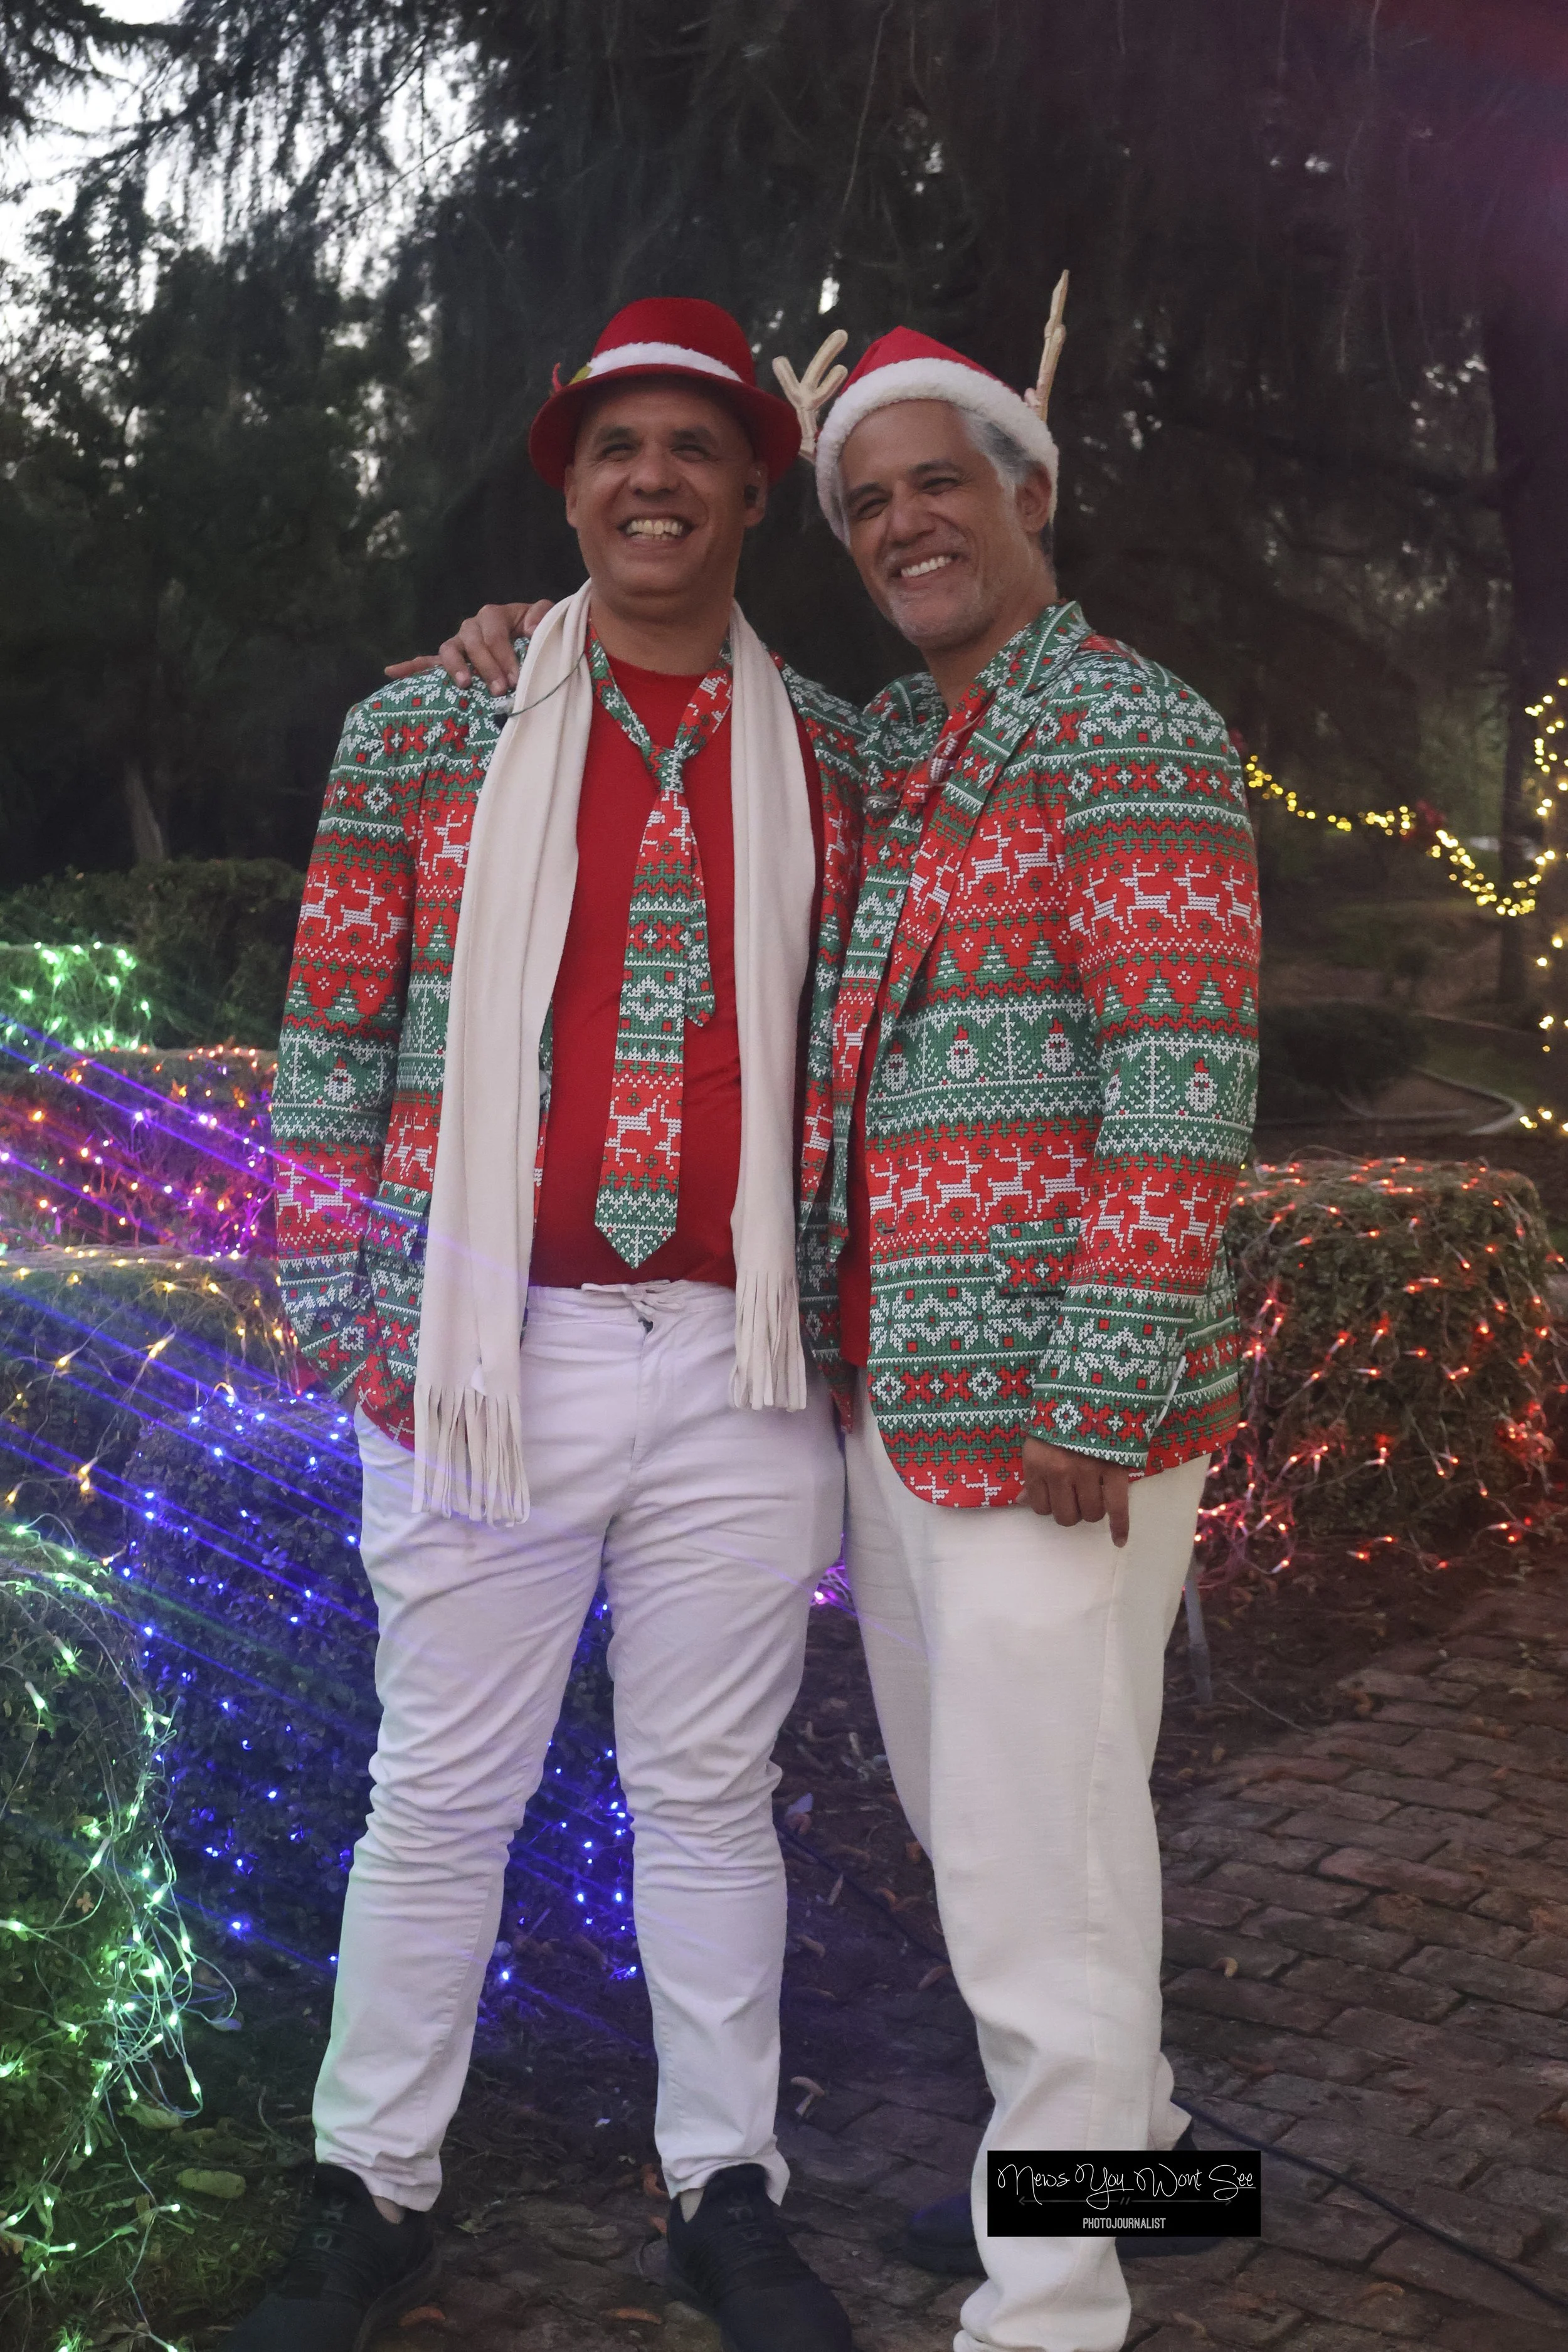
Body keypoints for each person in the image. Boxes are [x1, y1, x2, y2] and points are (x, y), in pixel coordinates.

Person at [425, 315, 1261, 2352]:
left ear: (1028, 496)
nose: (901, 525)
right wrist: (523, 641)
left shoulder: (1128, 727)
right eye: (867, 499)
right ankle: (1140, 2163)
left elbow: (1184, 1067)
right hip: (901, 1392)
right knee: (1051, 1812)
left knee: (1023, 1857)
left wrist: (1102, 1379)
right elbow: (709, 712)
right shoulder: (897, 746)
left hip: (1059, 1412)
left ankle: (1051, 2302)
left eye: (938, 484)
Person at [241, 299, 867, 2352]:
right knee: (442, 1789)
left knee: (706, 1792)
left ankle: (722, 2193)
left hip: (737, 1365)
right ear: (567, 479)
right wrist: (347, 1309)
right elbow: (330, 1036)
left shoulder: (836, 759)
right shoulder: (422, 730)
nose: (654, 479)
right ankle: (373, 2193)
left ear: (755, 489)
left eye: (696, 446)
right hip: (475, 1342)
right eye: (617, 447)